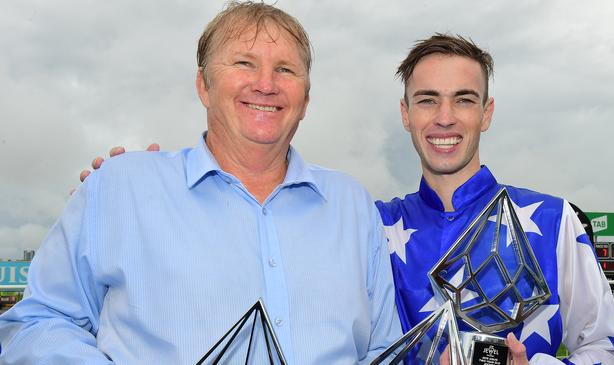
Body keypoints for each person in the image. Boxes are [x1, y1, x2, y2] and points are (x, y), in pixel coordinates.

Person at [0, 2, 402, 364]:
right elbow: (38, 322)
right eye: (244, 63)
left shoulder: (352, 205)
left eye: (285, 69)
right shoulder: (118, 188)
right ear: (203, 86)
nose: (266, 83)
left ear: (306, 98)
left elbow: (383, 349)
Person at [376, 34, 614, 364]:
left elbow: (611, 351)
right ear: (405, 113)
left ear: (487, 113)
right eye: (428, 100)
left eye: (464, 100)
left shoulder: (554, 219)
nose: (445, 117)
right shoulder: (373, 226)